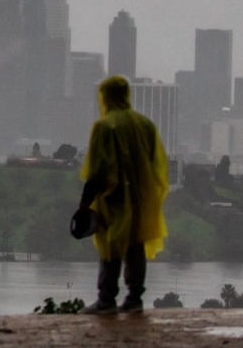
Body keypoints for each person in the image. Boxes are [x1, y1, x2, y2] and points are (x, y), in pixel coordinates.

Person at [77, 75, 169, 314]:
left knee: (111, 246)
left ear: (105, 97)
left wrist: (84, 204)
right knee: (135, 246)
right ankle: (134, 298)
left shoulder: (105, 126)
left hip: (113, 199)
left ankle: (106, 299)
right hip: (141, 198)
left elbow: (97, 171)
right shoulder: (145, 125)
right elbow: (155, 163)